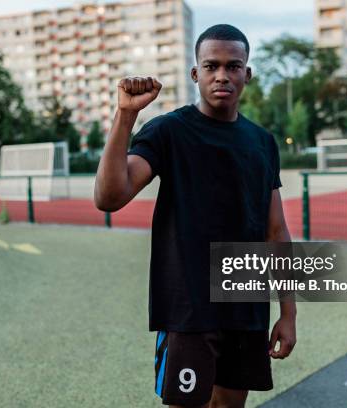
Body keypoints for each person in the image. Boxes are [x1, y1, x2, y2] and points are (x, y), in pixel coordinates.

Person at [94, 24, 296, 408]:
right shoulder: (169, 131)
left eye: (233, 66)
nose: (222, 75)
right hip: (188, 304)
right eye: (211, 66)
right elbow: (109, 197)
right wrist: (124, 116)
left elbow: (276, 230)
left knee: (231, 404)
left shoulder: (262, 142)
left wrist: (288, 312)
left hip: (246, 302)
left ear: (247, 74)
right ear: (196, 73)